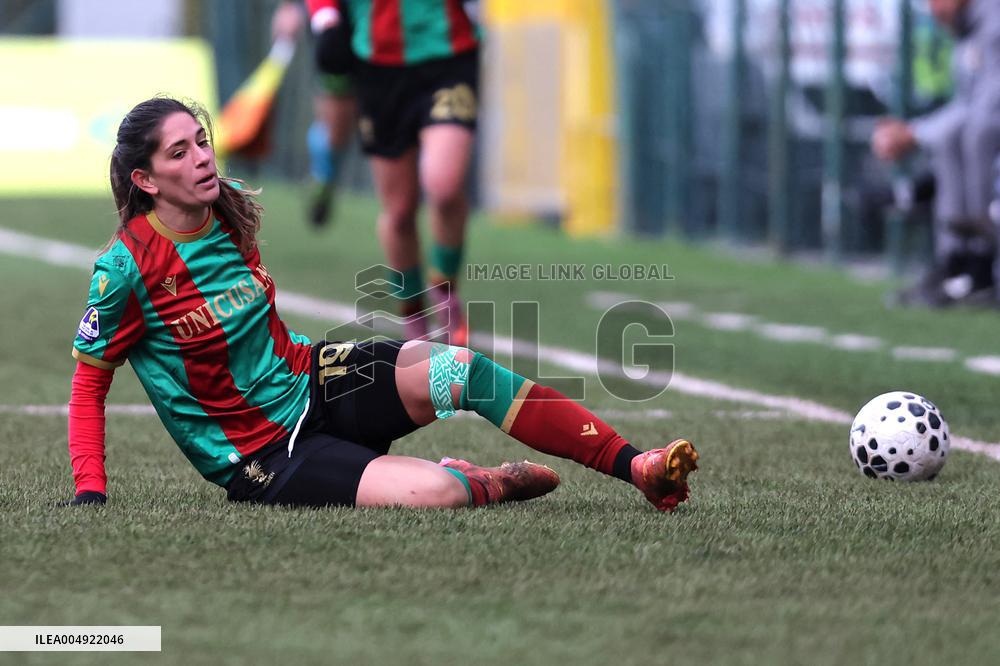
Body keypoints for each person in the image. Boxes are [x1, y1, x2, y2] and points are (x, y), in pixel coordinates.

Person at [62, 97, 699, 512]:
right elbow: (89, 385)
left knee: (461, 370)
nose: (202, 158)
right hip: (264, 455)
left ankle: (637, 466)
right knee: (436, 493)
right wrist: (91, 492)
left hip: (314, 376)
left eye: (201, 141)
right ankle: (482, 477)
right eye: (179, 153)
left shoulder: (224, 209)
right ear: (145, 180)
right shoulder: (125, 270)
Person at [306, 0, 480, 344]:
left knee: (444, 186)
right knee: (399, 212)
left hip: (448, 56)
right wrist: (325, 18)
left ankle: (445, 293)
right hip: (377, 67)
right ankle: (414, 320)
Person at [872, 0, 1000, 306]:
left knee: (977, 132)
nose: (934, 8)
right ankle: (958, 262)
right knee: (950, 137)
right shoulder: (967, 27)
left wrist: (913, 134)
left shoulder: (994, 23)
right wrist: (914, 132)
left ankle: (981, 256)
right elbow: (969, 103)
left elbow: (989, 106)